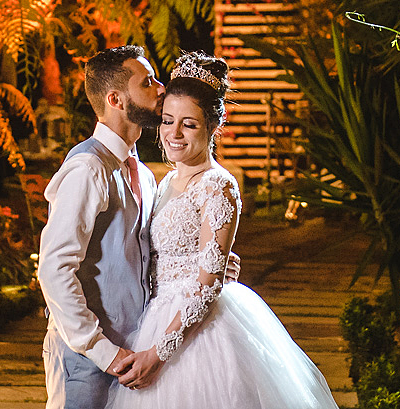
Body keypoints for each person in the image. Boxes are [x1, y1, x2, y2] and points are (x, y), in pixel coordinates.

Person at [107, 52, 339, 409]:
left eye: (190, 124)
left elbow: (207, 284)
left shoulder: (219, 185)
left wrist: (158, 353)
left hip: (198, 333)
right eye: (168, 120)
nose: (174, 133)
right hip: (155, 315)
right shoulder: (166, 181)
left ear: (215, 125)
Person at [38, 45, 163, 409]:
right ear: (116, 99)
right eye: (148, 82)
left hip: (133, 356)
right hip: (87, 361)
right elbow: (54, 268)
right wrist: (101, 350)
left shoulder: (141, 172)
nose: (160, 89)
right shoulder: (88, 169)